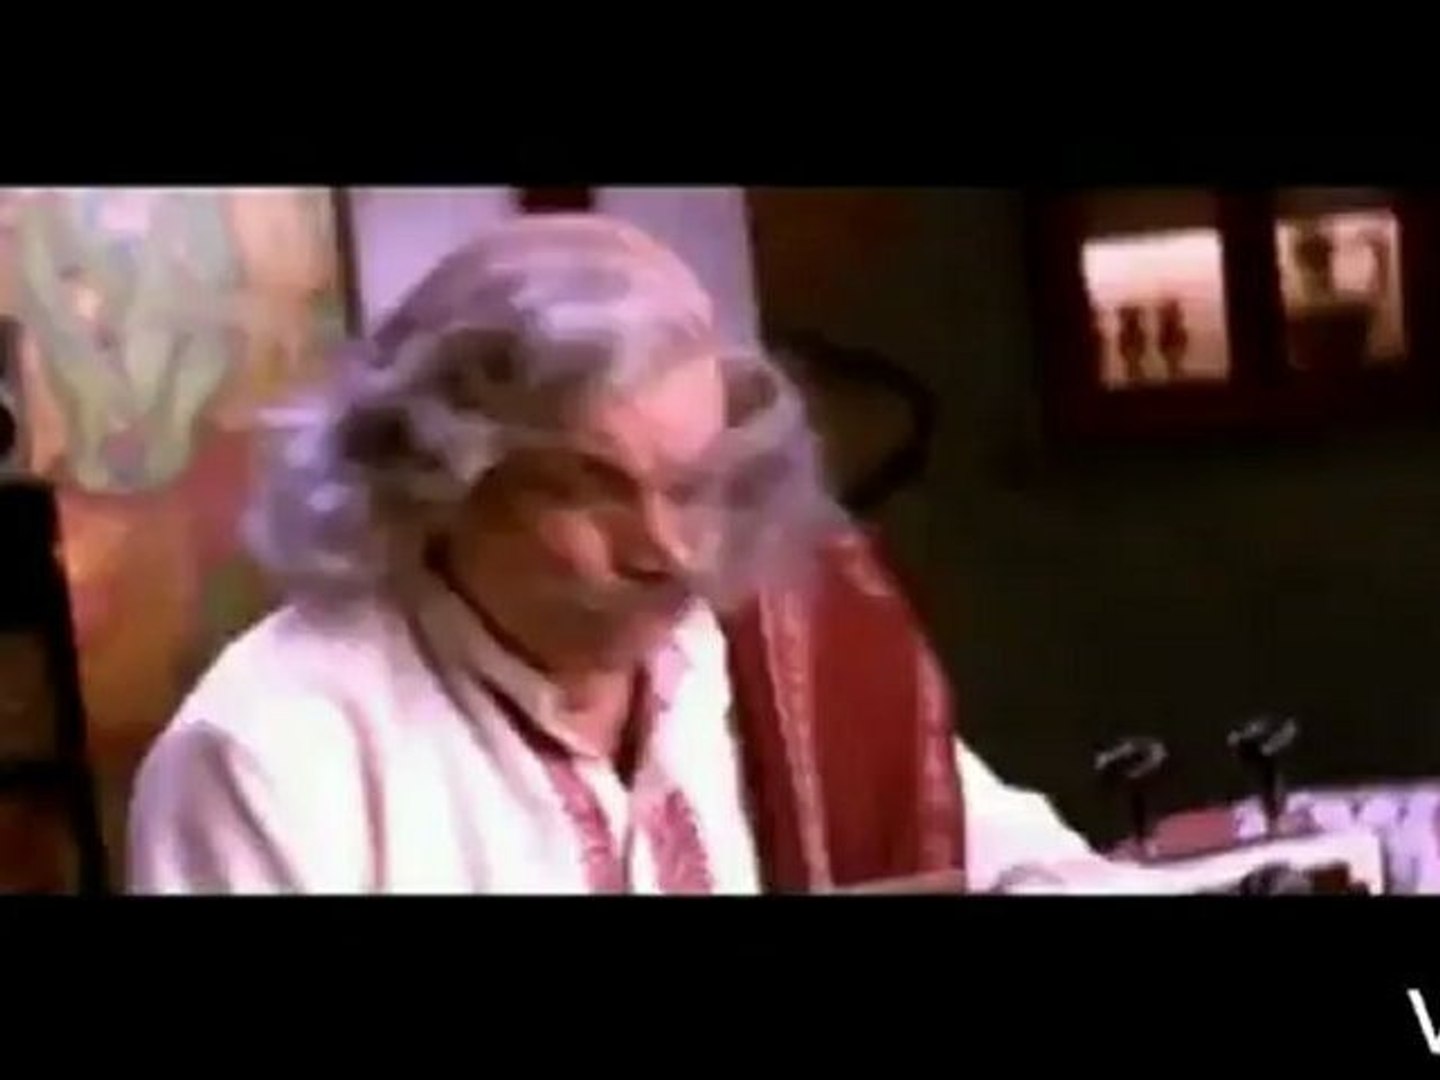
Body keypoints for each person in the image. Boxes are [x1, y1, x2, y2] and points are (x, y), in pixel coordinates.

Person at [126, 213, 1102, 895]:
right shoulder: (272, 754)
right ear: (435, 480)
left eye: (692, 484)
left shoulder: (775, 659)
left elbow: (1028, 865)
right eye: (589, 488)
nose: (667, 550)